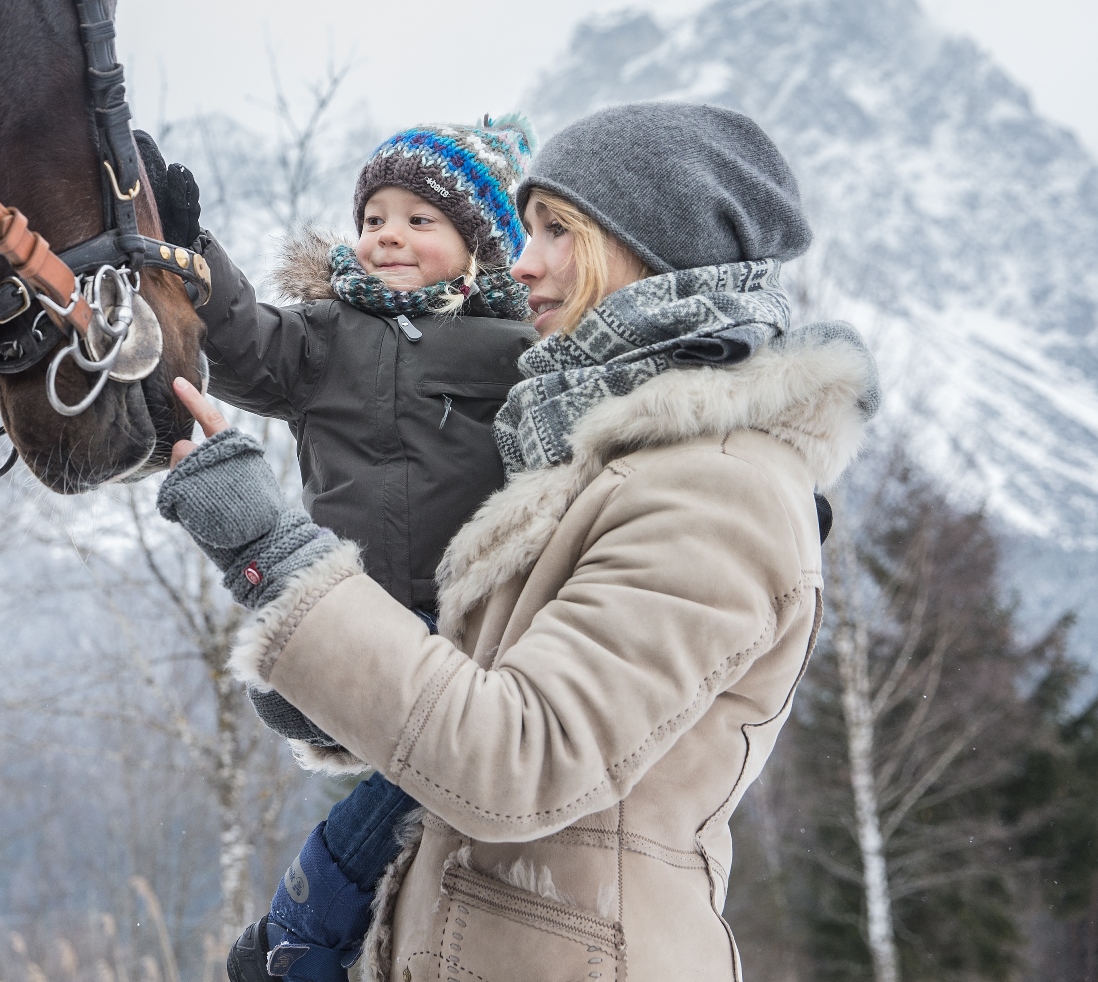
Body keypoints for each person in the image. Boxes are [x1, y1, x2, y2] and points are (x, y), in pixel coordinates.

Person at [157, 101, 878, 982]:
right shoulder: (583, 455)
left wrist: (270, 547)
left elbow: (514, 760)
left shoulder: (714, 485)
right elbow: (457, 715)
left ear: (647, 247)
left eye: (555, 231)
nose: (523, 262)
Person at [181, 119, 538, 982]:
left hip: (469, 621)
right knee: (441, 767)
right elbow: (237, 340)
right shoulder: (323, 335)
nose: (389, 234)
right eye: (375, 215)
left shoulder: (519, 353)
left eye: (421, 220)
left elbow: (602, 425)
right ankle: (307, 931)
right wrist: (189, 254)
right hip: (345, 616)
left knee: (454, 777)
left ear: (479, 247)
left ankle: (318, 942)